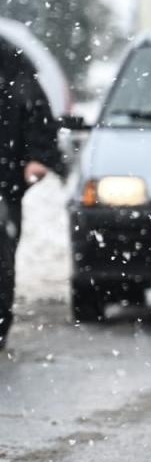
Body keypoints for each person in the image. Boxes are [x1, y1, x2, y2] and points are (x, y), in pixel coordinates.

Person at [0, 46, 65, 349]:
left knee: (2, 255)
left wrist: (38, 156)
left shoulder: (10, 63)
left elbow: (37, 113)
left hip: (3, 181)